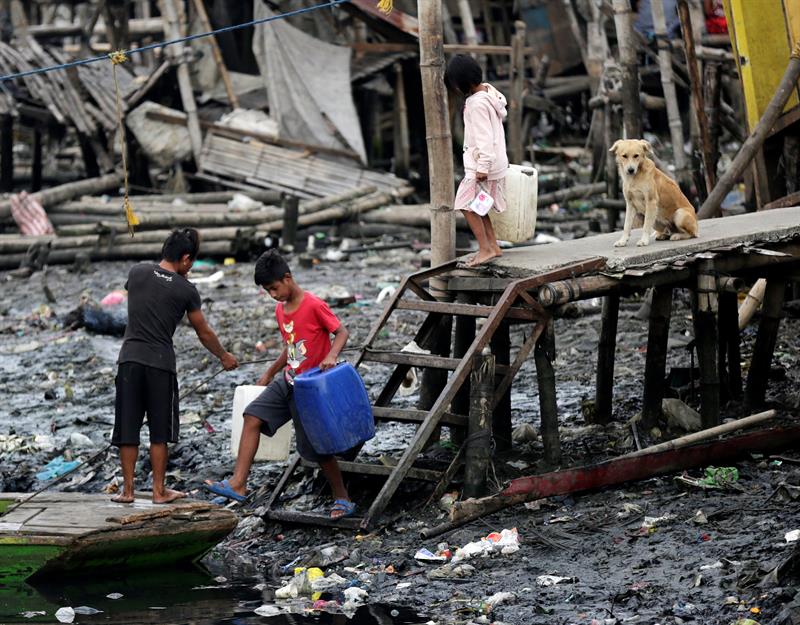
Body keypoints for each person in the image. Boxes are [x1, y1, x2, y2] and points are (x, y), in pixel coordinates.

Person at [205, 250, 355, 519]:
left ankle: (342, 497)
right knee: (252, 415)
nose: (273, 294)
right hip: (288, 380)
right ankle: (238, 483)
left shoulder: (313, 304)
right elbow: (291, 348)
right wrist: (269, 372)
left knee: (318, 449)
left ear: (287, 278)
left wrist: (332, 355)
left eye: (274, 288)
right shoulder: (280, 310)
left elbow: (341, 332)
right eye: (267, 291)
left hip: (311, 388)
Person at [112, 228, 238, 504]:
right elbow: (203, 332)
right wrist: (224, 356)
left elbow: (149, 293)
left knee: (127, 428)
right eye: (190, 262)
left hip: (129, 360)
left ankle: (128, 491)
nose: (191, 267)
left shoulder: (137, 273)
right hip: (160, 365)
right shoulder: (186, 290)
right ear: (185, 258)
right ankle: (158, 492)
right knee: (159, 432)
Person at [445, 54, 509, 268]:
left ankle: (486, 249)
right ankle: (493, 246)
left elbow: (484, 137)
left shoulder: (476, 104)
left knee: (465, 205)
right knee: (480, 207)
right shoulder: (491, 95)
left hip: (483, 165)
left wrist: (482, 167)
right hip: (495, 163)